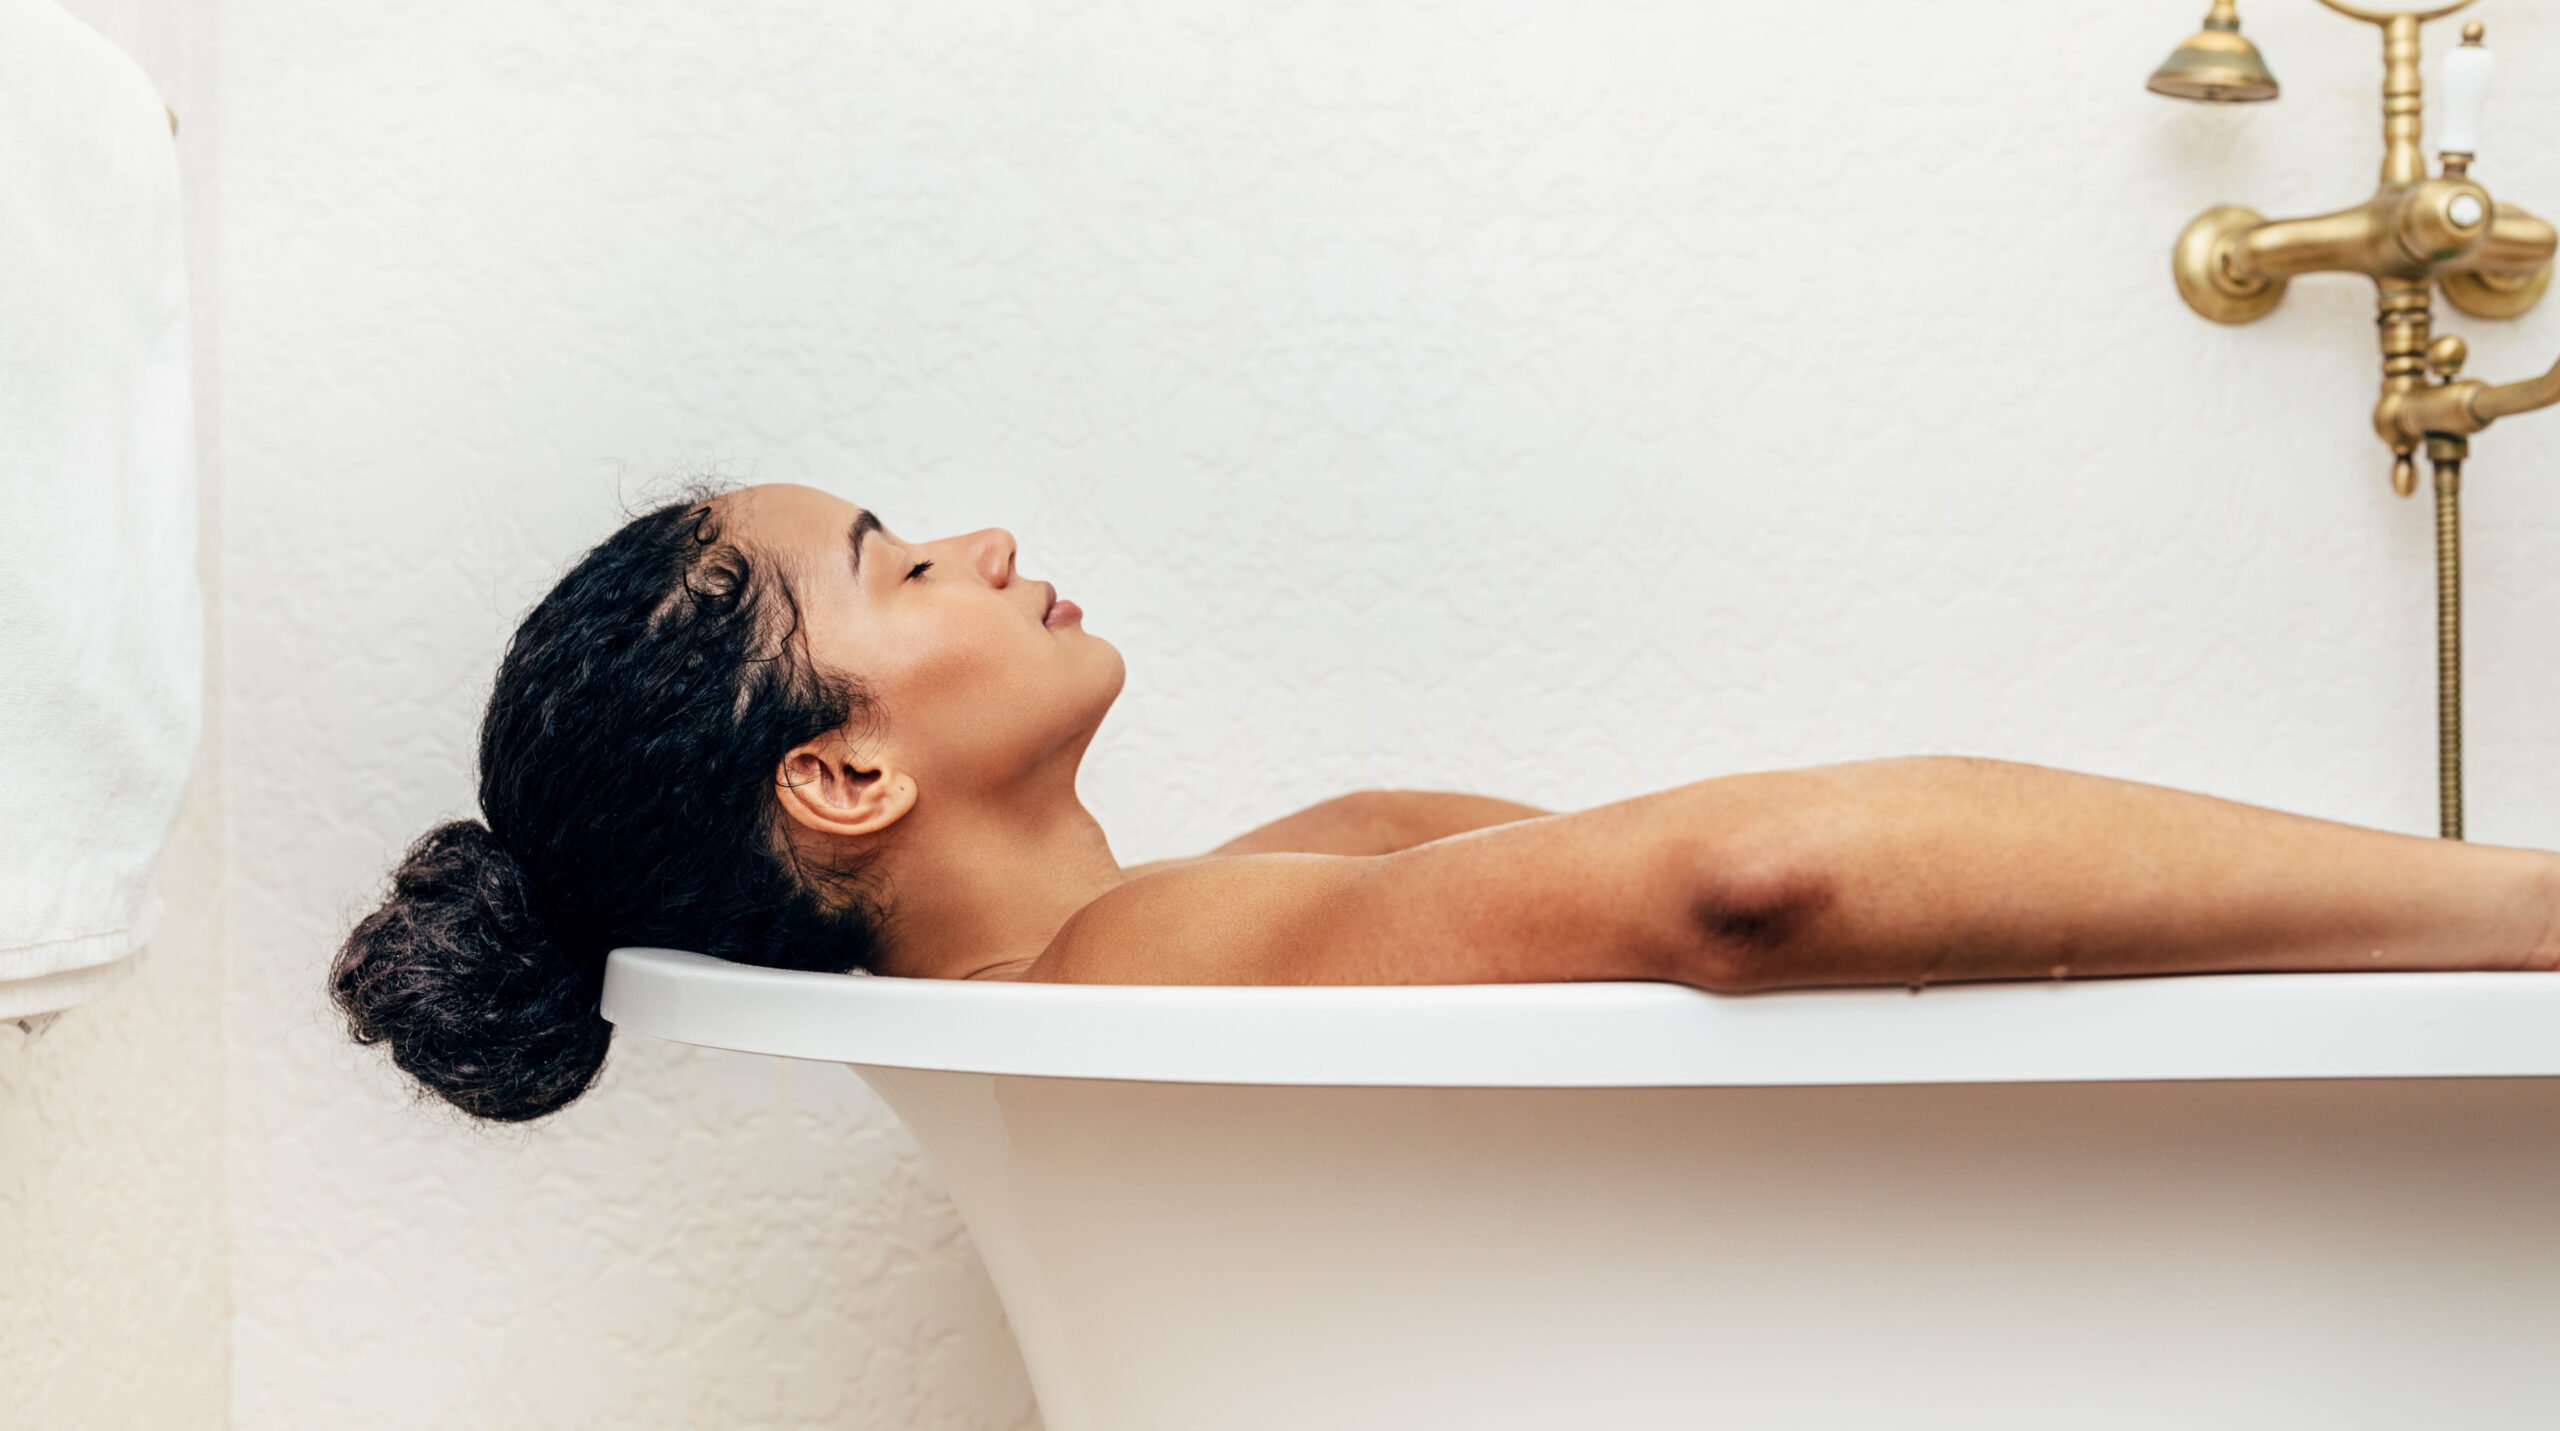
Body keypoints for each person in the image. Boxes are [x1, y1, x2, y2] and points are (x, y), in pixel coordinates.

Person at [331, 478, 2560, 1123]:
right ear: (843, 769)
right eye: (901, 568)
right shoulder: (1140, 969)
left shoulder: (1235, 906)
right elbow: (1761, 879)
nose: (989, 540)